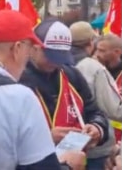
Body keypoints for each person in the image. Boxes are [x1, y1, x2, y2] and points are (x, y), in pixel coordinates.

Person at [0, 10, 86, 170]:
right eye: (29, 48)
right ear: (17, 48)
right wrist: (68, 164)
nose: (28, 56)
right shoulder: (19, 97)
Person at [20, 19, 110, 155]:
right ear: (33, 47)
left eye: (60, 57)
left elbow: (94, 111)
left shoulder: (71, 75)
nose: (55, 63)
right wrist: (45, 137)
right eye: (50, 56)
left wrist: (97, 128)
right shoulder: (16, 79)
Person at [69, 21, 122, 169]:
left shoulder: (57, 63)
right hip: (96, 146)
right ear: (91, 42)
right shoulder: (94, 68)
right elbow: (115, 109)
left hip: (67, 145)